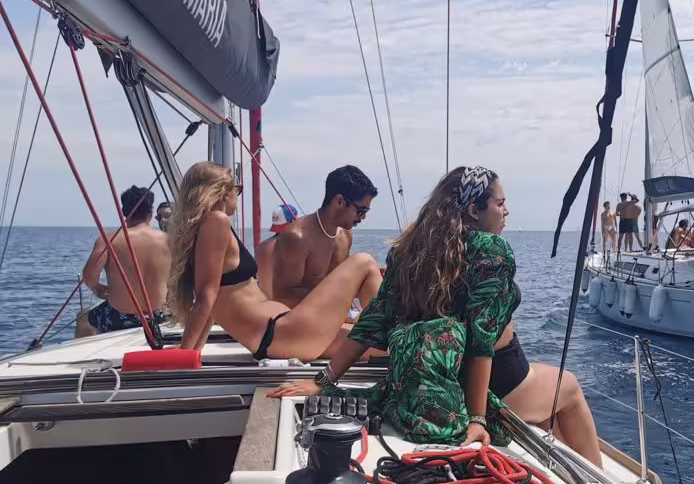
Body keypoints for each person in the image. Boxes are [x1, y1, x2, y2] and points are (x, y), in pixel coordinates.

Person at [270, 166, 603, 467]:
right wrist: (477, 418)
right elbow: (481, 340)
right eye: (500, 203)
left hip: (439, 381)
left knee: (551, 413)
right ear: (474, 210)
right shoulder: (492, 250)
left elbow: (376, 318)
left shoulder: (408, 250)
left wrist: (323, 381)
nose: (506, 211)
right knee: (569, 387)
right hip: (498, 380)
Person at [168, 162, 383, 361]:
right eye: (237, 188)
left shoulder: (210, 228)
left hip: (282, 336)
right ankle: (397, 332)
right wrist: (186, 353)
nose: (237, 195)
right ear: (222, 191)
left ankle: (396, 338)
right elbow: (207, 295)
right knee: (364, 262)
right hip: (279, 334)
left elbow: (211, 299)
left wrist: (194, 349)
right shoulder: (217, 221)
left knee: (382, 347)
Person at [271, 166, 378, 309]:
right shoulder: (297, 237)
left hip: (335, 312)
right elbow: (282, 296)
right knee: (366, 262)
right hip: (302, 316)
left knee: (370, 271)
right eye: (361, 210)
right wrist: (336, 298)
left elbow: (340, 282)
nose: (363, 217)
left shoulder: (345, 235)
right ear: (339, 201)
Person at [76, 186, 170, 336]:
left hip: (119, 318)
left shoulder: (109, 240)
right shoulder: (168, 240)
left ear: (124, 212)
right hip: (158, 316)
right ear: (151, 213)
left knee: (83, 319)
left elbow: (88, 277)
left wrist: (99, 289)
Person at [255, 203, 298, 298]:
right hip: (283, 303)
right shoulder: (291, 247)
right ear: (292, 222)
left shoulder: (261, 247)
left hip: (263, 300)